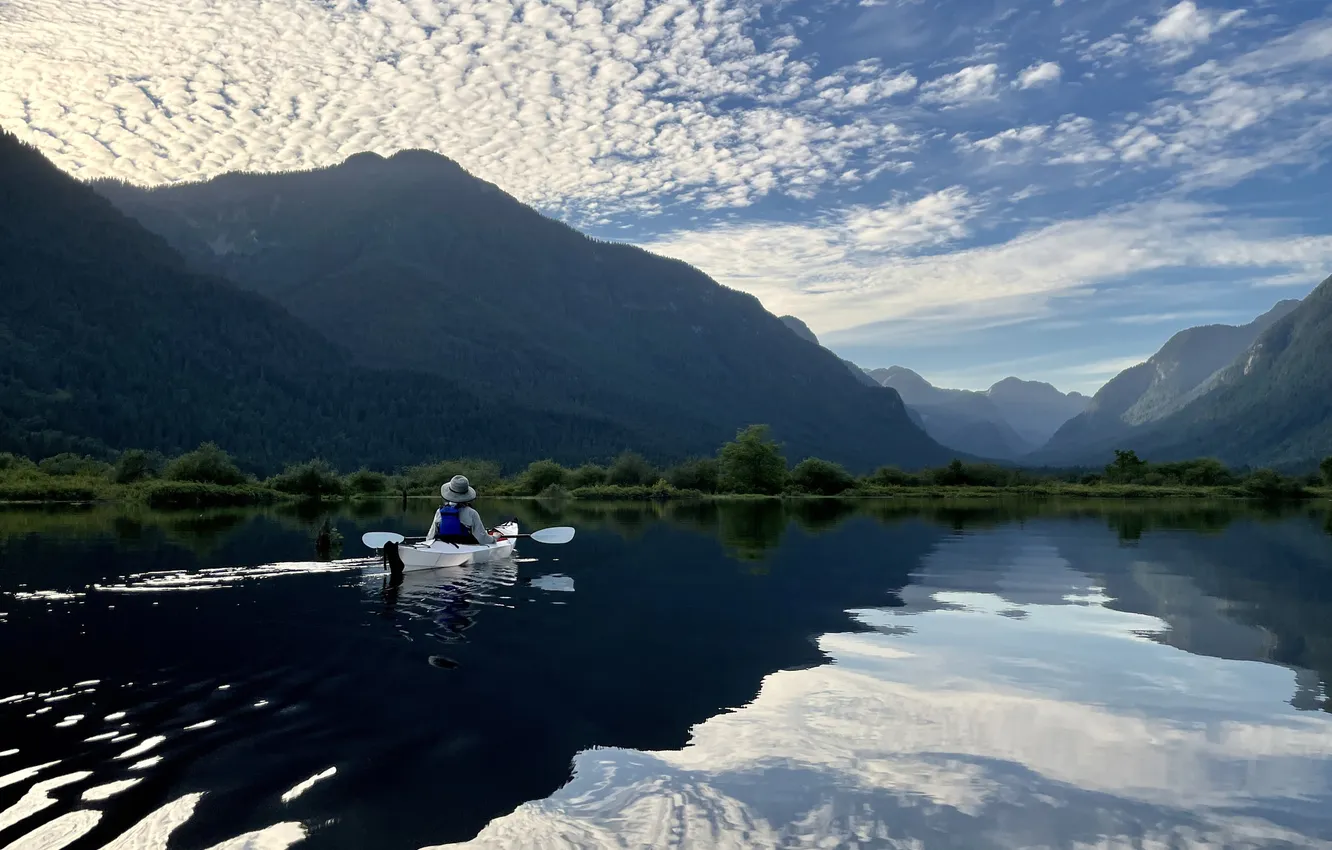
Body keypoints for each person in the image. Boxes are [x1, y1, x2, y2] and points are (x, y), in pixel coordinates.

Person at [426, 475, 499, 546]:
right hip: (466, 547)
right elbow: (483, 539)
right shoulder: (472, 513)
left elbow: (430, 537)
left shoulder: (440, 511)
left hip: (444, 547)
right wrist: (494, 538)